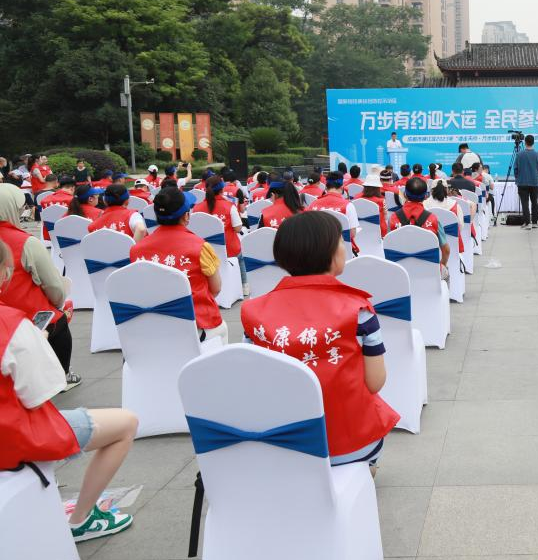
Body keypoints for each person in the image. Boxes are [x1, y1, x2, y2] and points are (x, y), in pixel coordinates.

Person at [0, 240, 139, 541]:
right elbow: (43, 390)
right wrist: (39, 340)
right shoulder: (10, 324)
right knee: (126, 424)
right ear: (4, 273)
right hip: (12, 439)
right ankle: (81, 519)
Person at [241, 212, 398, 471]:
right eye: (340, 241)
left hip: (282, 443)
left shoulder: (252, 312)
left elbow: (253, 378)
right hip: (350, 444)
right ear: (331, 253)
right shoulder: (358, 311)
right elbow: (375, 382)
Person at [0, 184, 79, 390]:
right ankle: (62, 375)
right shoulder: (25, 242)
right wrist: (58, 303)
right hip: (22, 317)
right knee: (58, 318)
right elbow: (54, 286)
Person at [130, 187, 226, 342]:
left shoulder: (136, 250)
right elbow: (216, 289)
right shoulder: (200, 247)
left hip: (154, 324)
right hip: (195, 324)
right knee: (223, 329)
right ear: (186, 216)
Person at [387, 177, 450, 266]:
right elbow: (446, 250)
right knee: (446, 274)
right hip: (429, 273)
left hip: (399, 271)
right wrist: (442, 265)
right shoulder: (433, 219)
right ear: (425, 196)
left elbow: (388, 245)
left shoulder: (393, 218)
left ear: (405, 194)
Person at [307, 171, 360, 254]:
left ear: (326, 186)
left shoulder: (313, 204)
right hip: (342, 253)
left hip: (317, 253)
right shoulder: (348, 205)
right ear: (342, 186)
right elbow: (352, 233)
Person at [514, 134, 538, 229]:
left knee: (524, 203)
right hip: (534, 182)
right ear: (533, 142)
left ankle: (527, 223)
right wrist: (537, 180)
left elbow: (516, 169)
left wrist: (517, 179)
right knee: (534, 202)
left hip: (522, 182)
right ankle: (535, 222)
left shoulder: (519, 155)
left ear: (525, 142)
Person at [356, 172, 389, 236]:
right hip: (377, 234)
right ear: (378, 188)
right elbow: (384, 218)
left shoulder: (356, 198)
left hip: (359, 233)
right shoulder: (381, 201)